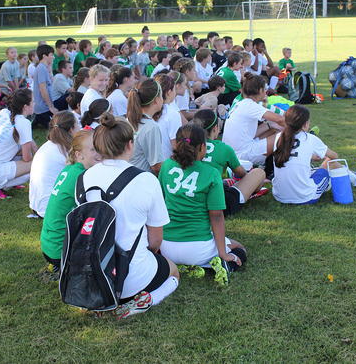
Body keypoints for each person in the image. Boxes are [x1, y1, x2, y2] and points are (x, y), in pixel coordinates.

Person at [81, 113, 179, 319]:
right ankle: (145, 301)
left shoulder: (84, 178)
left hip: (94, 275)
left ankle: (106, 301)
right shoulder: (146, 180)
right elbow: (155, 240)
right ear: (129, 145)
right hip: (133, 276)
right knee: (173, 271)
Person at [158, 123, 246, 285]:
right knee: (240, 249)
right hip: (197, 247)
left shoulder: (166, 167)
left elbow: (161, 203)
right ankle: (222, 265)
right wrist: (223, 252)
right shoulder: (211, 173)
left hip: (165, 245)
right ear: (202, 147)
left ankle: (184, 266)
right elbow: (217, 216)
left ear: (177, 144)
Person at [272, 105, 356, 204]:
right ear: (305, 124)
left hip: (279, 196)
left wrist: (310, 155)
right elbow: (334, 156)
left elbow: (291, 153)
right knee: (331, 163)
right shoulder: (310, 138)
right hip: (305, 197)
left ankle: (351, 178)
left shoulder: (278, 137)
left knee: (314, 170)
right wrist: (322, 157)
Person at [40, 129, 102, 270]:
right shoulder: (83, 177)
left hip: (49, 244)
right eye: (93, 149)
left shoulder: (69, 169)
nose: (99, 153)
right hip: (60, 250)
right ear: (79, 155)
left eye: (100, 147)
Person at [194, 109, 266, 211]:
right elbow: (242, 174)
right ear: (215, 128)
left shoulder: (188, 146)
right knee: (258, 173)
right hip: (217, 202)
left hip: (189, 196)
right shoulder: (223, 148)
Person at [223, 74, 285, 166]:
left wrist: (271, 125)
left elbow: (247, 134)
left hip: (233, 152)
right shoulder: (250, 105)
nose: (266, 91)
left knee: (274, 128)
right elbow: (280, 119)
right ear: (260, 90)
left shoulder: (242, 103)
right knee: (287, 135)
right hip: (242, 154)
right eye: (264, 89)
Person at [29, 111, 77, 217]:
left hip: (37, 206)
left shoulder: (49, 145)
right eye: (77, 124)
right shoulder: (66, 150)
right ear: (71, 129)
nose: (79, 128)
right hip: (51, 209)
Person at [127, 79, 164, 173]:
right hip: (140, 180)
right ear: (156, 100)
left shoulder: (129, 119)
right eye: (161, 96)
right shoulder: (151, 127)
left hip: (128, 177)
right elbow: (156, 166)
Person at [155, 74, 182, 160]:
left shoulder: (150, 110)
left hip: (151, 163)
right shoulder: (172, 114)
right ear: (169, 92)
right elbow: (176, 146)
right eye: (174, 89)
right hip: (166, 165)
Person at [32, 44, 57, 128]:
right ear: (44, 56)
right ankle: (38, 120)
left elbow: (51, 83)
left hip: (45, 106)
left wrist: (50, 67)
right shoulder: (41, 69)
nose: (53, 57)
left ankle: (37, 121)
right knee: (56, 126)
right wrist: (51, 106)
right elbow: (43, 89)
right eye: (51, 55)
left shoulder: (45, 68)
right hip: (43, 108)